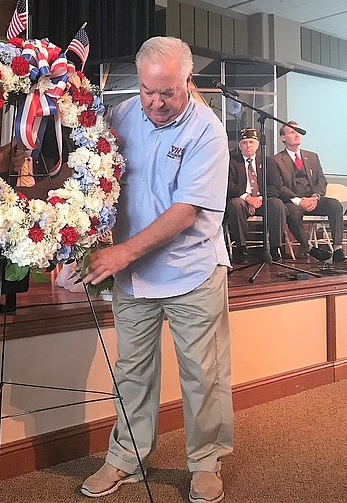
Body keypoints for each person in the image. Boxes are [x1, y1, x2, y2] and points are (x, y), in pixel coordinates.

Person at [82, 36, 232, 503]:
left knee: (202, 374)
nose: (156, 102)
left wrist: (121, 253)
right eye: (148, 91)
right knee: (132, 372)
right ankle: (125, 457)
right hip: (134, 277)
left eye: (167, 92)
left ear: (188, 82)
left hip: (192, 272)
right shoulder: (124, 114)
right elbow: (97, 174)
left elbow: (186, 210)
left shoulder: (207, 131)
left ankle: (206, 461)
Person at [266, 121, 346, 263]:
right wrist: (298, 200)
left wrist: (315, 197)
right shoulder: (276, 160)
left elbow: (321, 180)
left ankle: (338, 248)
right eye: (292, 132)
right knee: (293, 214)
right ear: (283, 138)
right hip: (293, 201)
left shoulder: (312, 156)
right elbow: (279, 186)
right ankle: (309, 248)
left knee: (335, 205)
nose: (297, 134)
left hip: (313, 199)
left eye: (298, 131)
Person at [226, 127, 287, 263]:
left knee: (277, 204)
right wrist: (247, 198)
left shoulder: (268, 162)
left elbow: (275, 186)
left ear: (258, 145)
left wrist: (259, 199)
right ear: (239, 146)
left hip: (262, 200)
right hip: (241, 200)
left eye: (251, 142)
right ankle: (240, 249)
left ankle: (275, 248)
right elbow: (228, 184)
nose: (248, 146)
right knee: (236, 204)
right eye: (244, 142)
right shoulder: (231, 161)